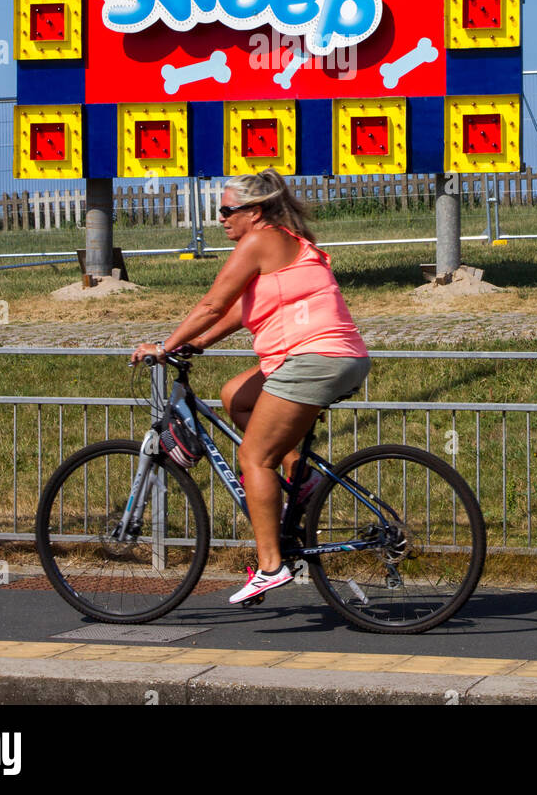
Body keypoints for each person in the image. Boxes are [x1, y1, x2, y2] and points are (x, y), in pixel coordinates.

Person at [131, 168, 371, 604]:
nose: (221, 218)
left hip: (312, 360)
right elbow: (240, 312)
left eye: (227, 210)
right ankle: (302, 481)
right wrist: (198, 343)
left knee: (253, 458)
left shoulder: (258, 241)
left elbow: (212, 303)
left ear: (254, 213)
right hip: (336, 357)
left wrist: (166, 346)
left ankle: (270, 566)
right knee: (235, 396)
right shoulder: (286, 243)